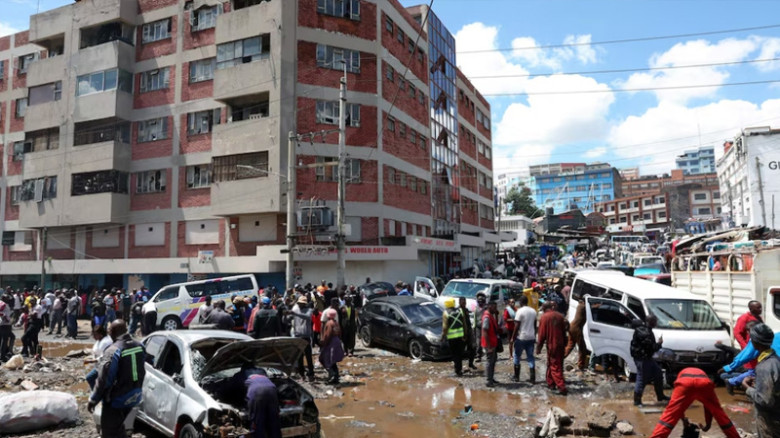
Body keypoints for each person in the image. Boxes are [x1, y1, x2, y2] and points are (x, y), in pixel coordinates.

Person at [87, 320, 146, 438]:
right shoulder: (140, 346)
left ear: (113, 332)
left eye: (109, 330)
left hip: (117, 400)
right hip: (134, 396)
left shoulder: (113, 350)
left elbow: (104, 379)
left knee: (109, 433)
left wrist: (93, 399)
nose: (108, 333)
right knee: (118, 428)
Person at [649, 367, 740, 438]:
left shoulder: (681, 374)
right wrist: (708, 425)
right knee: (719, 414)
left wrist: (683, 420)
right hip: (704, 383)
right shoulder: (702, 374)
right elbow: (708, 407)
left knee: (670, 415)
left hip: (684, 383)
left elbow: (678, 408)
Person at [742, 323, 780, 437]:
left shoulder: (764, 366)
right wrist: (759, 382)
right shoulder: (776, 360)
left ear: (755, 342)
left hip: (770, 420)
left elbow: (764, 400)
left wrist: (748, 388)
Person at [630, 315, 668, 406]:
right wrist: (659, 343)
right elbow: (652, 348)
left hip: (647, 357)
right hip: (642, 359)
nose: (656, 323)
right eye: (655, 321)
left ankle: (660, 396)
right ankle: (637, 401)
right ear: (651, 322)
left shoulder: (646, 329)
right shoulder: (645, 333)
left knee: (658, 373)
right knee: (642, 378)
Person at [536, 301, 568, 395]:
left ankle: (561, 387)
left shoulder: (544, 317)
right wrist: (565, 343)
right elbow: (564, 331)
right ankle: (551, 383)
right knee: (554, 363)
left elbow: (541, 334)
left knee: (555, 366)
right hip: (560, 344)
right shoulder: (560, 316)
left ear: (544, 308)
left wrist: (539, 347)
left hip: (552, 345)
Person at [245, 373, 283, 438]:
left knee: (257, 422)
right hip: (272, 390)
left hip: (256, 392)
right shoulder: (265, 377)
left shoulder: (245, 378)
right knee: (274, 422)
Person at [511, 295, 537, 383]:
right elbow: (535, 325)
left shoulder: (519, 311)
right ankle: (532, 378)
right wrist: (534, 335)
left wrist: (513, 337)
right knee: (530, 357)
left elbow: (516, 326)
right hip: (531, 337)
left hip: (521, 337)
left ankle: (516, 377)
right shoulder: (533, 311)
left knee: (517, 356)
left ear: (521, 302)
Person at [290, 296, 315, 381]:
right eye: (300, 303)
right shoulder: (295, 309)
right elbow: (288, 319)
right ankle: (302, 374)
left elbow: (307, 317)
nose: (300, 305)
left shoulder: (309, 310)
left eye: (302, 304)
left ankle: (311, 374)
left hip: (306, 336)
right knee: (299, 357)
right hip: (297, 336)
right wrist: (287, 315)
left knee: (308, 356)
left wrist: (295, 313)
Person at [441, 298, 467, 376]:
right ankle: (459, 369)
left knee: (455, 354)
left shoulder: (446, 313)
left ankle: (457, 371)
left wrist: (442, 337)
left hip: (452, 338)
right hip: (460, 336)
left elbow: (445, 328)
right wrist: (465, 335)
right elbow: (464, 324)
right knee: (459, 354)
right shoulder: (460, 311)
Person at [319, 308, 344, 385]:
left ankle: (332, 375)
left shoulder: (329, 323)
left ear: (328, 315)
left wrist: (324, 342)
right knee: (333, 360)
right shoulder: (336, 323)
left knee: (324, 359)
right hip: (337, 341)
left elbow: (328, 334)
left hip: (331, 342)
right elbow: (340, 333)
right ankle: (336, 377)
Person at [86, 325, 114, 389]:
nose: (93, 337)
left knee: (89, 377)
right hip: (99, 364)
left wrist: (92, 360)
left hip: (104, 366)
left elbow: (104, 356)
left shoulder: (105, 342)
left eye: (95, 335)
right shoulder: (100, 340)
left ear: (100, 334)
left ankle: (96, 392)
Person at [563, 298, 588, 371]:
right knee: (582, 348)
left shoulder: (580, 305)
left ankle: (560, 357)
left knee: (570, 345)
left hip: (572, 327)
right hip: (577, 328)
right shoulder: (582, 306)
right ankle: (581, 365)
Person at [482, 301, 500, 387]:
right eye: (494, 307)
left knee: (493, 361)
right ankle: (489, 381)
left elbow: (495, 326)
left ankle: (491, 378)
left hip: (493, 342)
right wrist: (489, 346)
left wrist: (496, 315)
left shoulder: (491, 316)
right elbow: (485, 331)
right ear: (489, 306)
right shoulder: (487, 317)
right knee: (490, 361)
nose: (495, 309)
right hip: (489, 344)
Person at [0, 293, 15, 361]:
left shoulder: (3, 303)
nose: (8, 299)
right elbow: (1, 312)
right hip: (5, 324)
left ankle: (6, 352)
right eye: (7, 298)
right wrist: (6, 318)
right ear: (3, 298)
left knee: (9, 337)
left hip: (3, 324)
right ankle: (3, 356)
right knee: (4, 340)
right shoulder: (3, 304)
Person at [473, 295, 487, 362]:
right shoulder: (476, 308)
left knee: (486, 341)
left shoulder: (486, 308)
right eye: (479, 300)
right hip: (478, 327)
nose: (480, 301)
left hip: (485, 327)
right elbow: (474, 318)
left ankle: (489, 355)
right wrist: (474, 326)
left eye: (481, 300)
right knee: (478, 342)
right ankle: (478, 356)